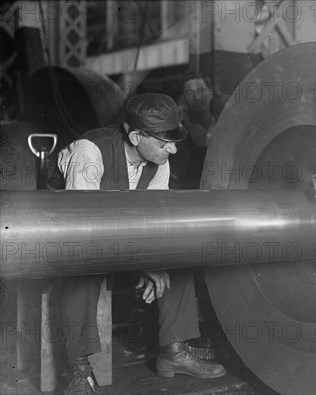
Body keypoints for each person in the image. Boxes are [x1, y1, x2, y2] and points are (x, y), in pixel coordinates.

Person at [55, 93, 226, 394]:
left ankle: (173, 351)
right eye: (163, 143)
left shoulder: (158, 161)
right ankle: (77, 370)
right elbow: (84, 231)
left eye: (173, 141)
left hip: (118, 236)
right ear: (134, 136)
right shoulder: (89, 153)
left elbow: (154, 223)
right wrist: (142, 266)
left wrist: (153, 262)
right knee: (82, 269)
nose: (172, 149)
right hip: (69, 236)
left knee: (177, 256)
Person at [170, 73, 223, 189]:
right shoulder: (178, 134)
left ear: (210, 92)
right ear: (183, 98)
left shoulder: (224, 125)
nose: (197, 97)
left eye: (201, 90)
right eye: (189, 93)